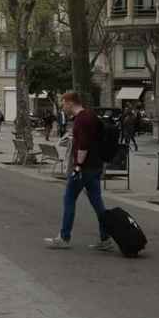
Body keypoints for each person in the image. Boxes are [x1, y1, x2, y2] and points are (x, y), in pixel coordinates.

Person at [44, 91, 113, 251]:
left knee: (69, 199)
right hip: (95, 166)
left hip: (84, 168)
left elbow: (83, 145)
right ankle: (106, 238)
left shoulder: (81, 119)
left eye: (63, 103)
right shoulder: (90, 115)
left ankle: (64, 237)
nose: (62, 106)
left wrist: (78, 166)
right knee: (97, 203)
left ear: (70, 102)